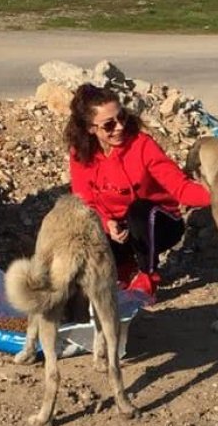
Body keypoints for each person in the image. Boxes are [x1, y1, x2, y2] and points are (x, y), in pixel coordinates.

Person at [66, 84, 210, 302]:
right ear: (90, 128)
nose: (120, 126)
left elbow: (180, 187)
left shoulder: (142, 145)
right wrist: (107, 223)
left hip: (158, 223)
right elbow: (84, 200)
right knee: (81, 224)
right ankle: (124, 268)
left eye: (122, 116)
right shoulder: (81, 155)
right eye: (109, 124)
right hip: (118, 229)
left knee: (139, 211)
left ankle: (147, 276)